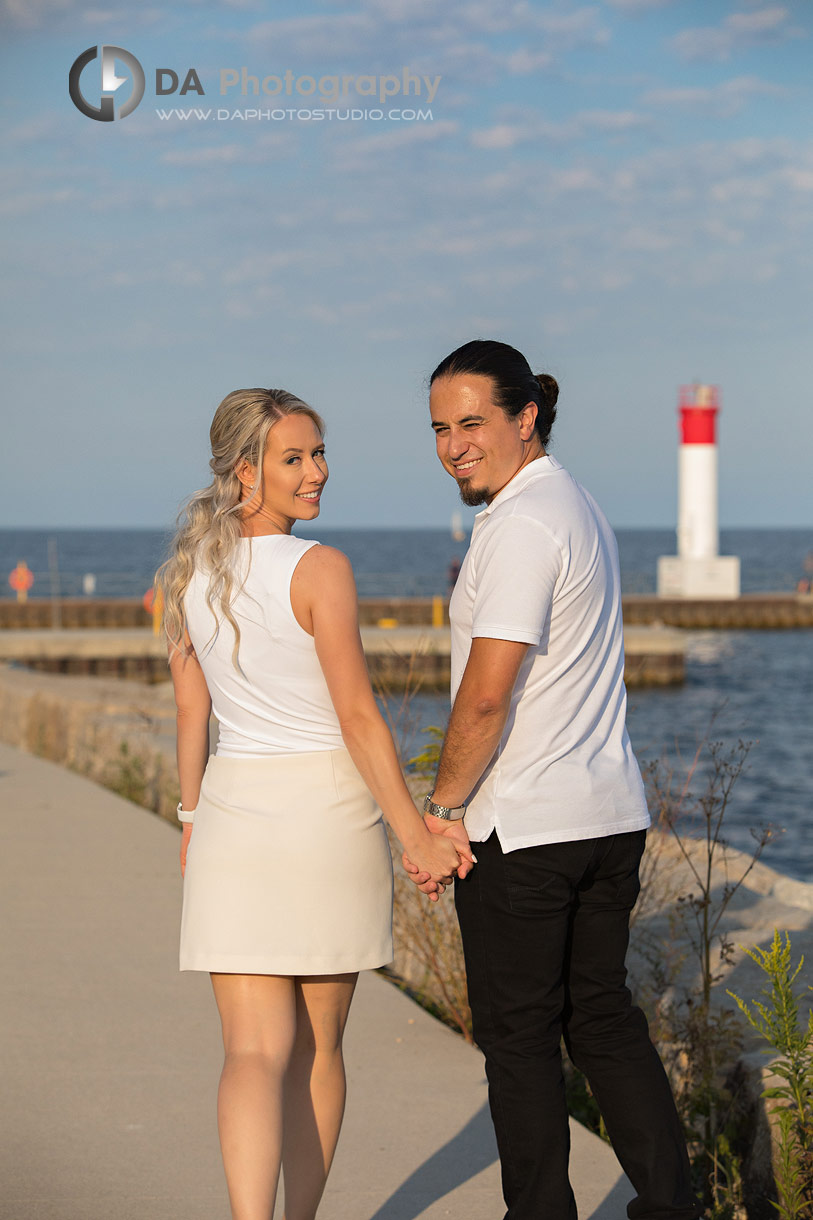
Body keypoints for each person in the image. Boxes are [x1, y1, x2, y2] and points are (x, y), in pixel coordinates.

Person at [156, 387, 472, 1220]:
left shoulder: (188, 575)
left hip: (233, 818)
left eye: (319, 452)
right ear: (243, 472)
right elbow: (359, 716)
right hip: (326, 819)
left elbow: (194, 717)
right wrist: (415, 834)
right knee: (319, 1048)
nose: (317, 472)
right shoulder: (320, 569)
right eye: (294, 457)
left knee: (252, 1053)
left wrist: (191, 821)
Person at [405, 341, 701, 1220]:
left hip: (527, 832)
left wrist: (441, 809)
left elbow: (486, 696)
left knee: (519, 1040)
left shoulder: (522, 524)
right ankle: (672, 1207)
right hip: (605, 818)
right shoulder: (574, 505)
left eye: (472, 423)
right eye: (438, 428)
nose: (454, 445)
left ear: (523, 417)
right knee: (601, 1020)